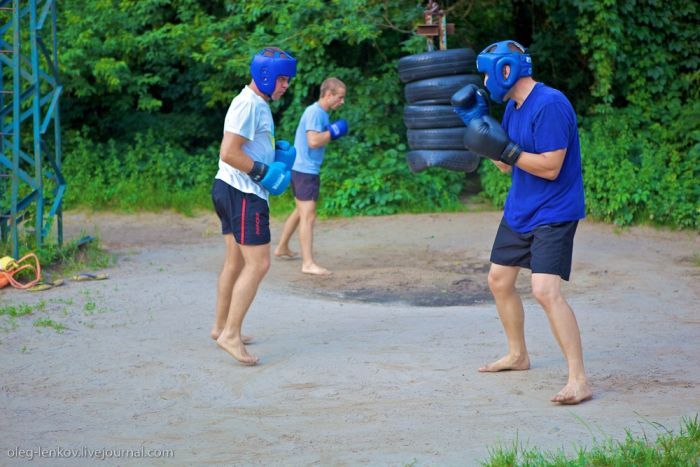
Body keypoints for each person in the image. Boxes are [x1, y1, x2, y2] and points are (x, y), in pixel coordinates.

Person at [458, 40, 592, 404]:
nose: (484, 83)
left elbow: (550, 167)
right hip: (521, 208)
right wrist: (479, 129)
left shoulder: (550, 104)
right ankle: (518, 355)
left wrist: (507, 150)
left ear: (506, 70)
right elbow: (506, 164)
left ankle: (578, 379)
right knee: (498, 280)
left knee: (545, 291)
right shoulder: (514, 109)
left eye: (487, 74)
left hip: (554, 211)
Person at [210, 47, 297, 365]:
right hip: (244, 193)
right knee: (258, 264)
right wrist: (264, 172)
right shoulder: (249, 104)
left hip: (229, 188)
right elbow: (229, 151)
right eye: (283, 79)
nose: (286, 85)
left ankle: (221, 327)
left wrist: (274, 158)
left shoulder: (254, 103)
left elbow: (245, 148)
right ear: (266, 75)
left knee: (235, 262)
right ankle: (231, 336)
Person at [274, 77, 348, 275]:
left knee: (300, 211)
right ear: (329, 94)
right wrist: (334, 131)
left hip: (300, 168)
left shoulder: (320, 113)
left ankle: (281, 247)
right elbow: (313, 141)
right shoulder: (315, 113)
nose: (342, 101)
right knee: (308, 215)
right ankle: (308, 264)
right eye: (340, 97)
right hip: (305, 170)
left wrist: (331, 131)